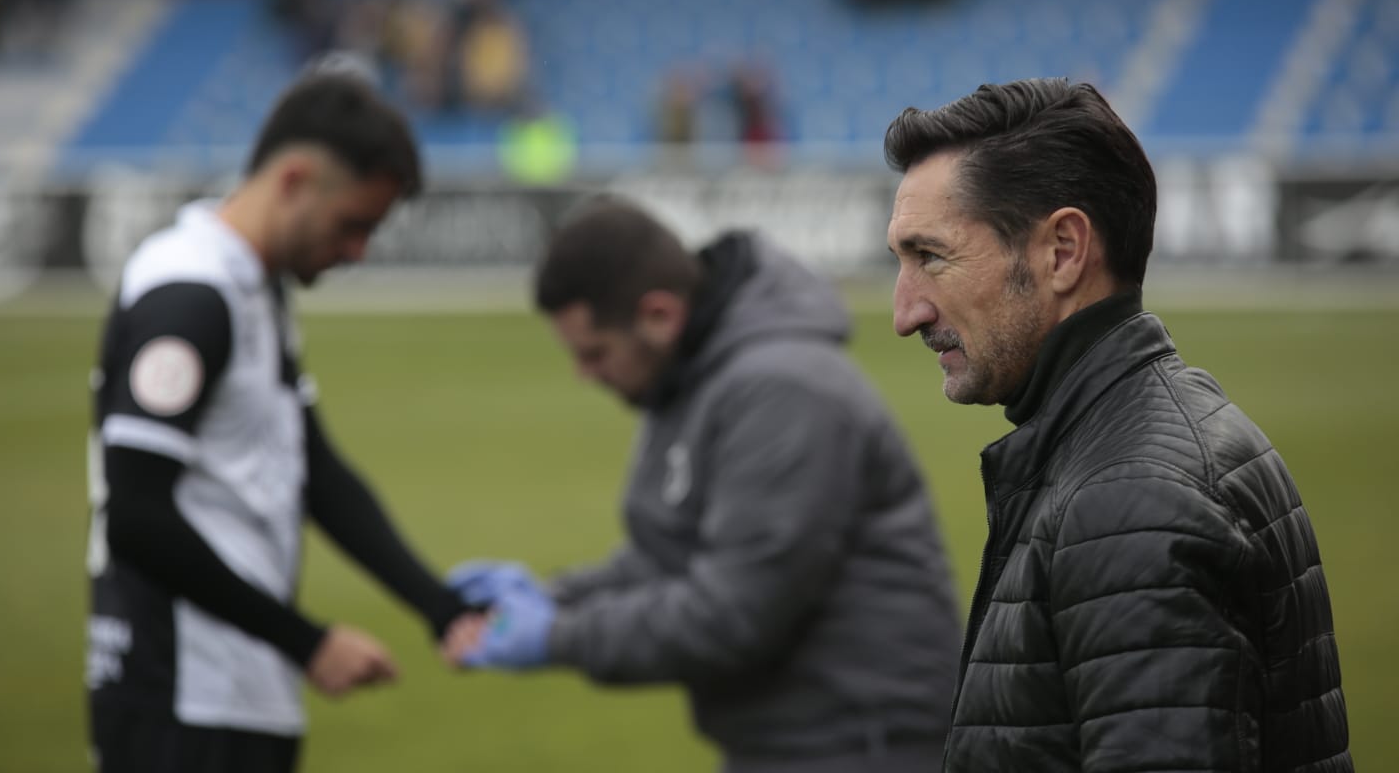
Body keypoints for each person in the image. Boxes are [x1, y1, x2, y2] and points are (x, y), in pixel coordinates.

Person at [882, 78, 1351, 772]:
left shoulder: (1129, 500)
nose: (905, 313)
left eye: (932, 257)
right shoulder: (1133, 443)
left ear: (1063, 251)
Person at [444, 199, 963, 773]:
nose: (584, 375)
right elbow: (667, 556)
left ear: (660, 316)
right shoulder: (698, 374)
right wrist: (553, 598)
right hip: (798, 739)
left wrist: (559, 637)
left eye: (595, 353)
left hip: (864, 744)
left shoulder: (784, 390)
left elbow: (734, 613)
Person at [84, 70, 471, 773]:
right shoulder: (190, 296)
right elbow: (136, 516)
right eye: (352, 225)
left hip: (238, 690)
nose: (357, 252)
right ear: (293, 180)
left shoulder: (253, 288)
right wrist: (307, 641)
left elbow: (315, 473)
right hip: (179, 695)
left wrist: (438, 605)